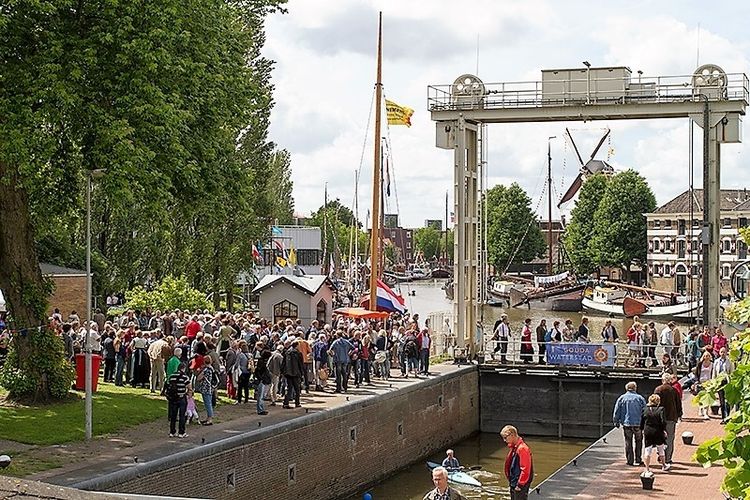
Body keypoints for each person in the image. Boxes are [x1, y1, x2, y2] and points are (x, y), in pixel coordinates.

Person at [612, 381, 647, 466]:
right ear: (635, 388)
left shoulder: (622, 398)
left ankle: (629, 460)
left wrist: (616, 421)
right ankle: (638, 459)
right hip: (638, 423)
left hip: (627, 423)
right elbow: (645, 411)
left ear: (626, 388)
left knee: (628, 441)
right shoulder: (640, 398)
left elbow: (617, 411)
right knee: (639, 441)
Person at [654, 372, 682, 469]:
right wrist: (679, 414)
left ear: (662, 380)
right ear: (670, 381)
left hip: (659, 418)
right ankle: (668, 458)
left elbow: (654, 403)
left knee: (660, 437)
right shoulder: (674, 391)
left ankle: (660, 454)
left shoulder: (658, 389)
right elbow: (678, 404)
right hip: (671, 417)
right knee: (670, 438)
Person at [502, 425, 533, 500]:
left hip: (519, 483)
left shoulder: (522, 449)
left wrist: (520, 485)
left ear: (512, 435)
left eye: (505, 437)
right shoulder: (515, 448)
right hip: (514, 482)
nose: (504, 440)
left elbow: (525, 469)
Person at [640, 393, 667, 473]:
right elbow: (663, 421)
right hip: (658, 431)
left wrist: (642, 429)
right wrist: (664, 430)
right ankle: (664, 465)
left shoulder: (645, 409)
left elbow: (642, 421)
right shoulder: (661, 409)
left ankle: (647, 468)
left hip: (648, 430)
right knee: (661, 448)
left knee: (647, 450)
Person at [165, 363, 190, 438]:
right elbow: (189, 386)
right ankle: (181, 432)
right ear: (184, 368)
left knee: (173, 415)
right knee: (182, 415)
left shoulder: (172, 376)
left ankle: (172, 432)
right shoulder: (185, 377)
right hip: (181, 397)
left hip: (173, 398)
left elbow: (168, 384)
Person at [713, 346, 734, 423]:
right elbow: (714, 373)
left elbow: (732, 372)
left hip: (726, 382)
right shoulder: (716, 362)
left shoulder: (730, 361)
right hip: (719, 383)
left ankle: (728, 416)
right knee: (721, 401)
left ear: (726, 352)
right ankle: (723, 417)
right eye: (721, 352)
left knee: (727, 401)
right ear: (719, 353)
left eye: (724, 352)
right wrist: (714, 383)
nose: (723, 354)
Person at [282, 340, 305, 409]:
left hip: (288, 373)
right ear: (297, 346)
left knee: (289, 388)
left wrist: (283, 371)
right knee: (297, 389)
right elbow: (300, 364)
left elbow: (283, 363)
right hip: (296, 373)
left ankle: (286, 403)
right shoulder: (298, 353)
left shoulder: (287, 352)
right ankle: (297, 403)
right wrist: (302, 373)